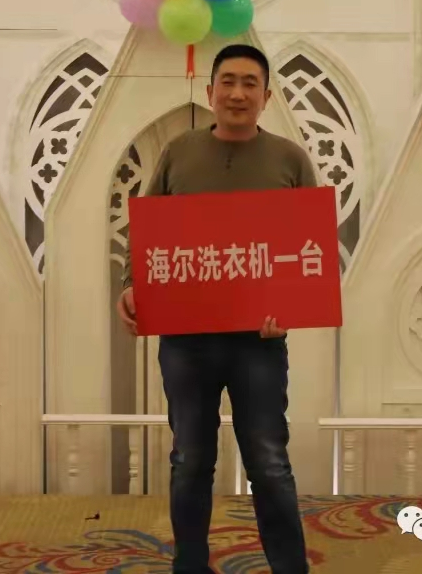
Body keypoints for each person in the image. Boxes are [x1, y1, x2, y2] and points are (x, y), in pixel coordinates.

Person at [117, 44, 315, 574]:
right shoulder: (179, 153)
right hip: (187, 340)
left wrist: (289, 306)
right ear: (210, 92)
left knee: (269, 463)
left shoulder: (291, 160)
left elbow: (308, 248)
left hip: (259, 342)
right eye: (228, 81)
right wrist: (132, 285)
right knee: (190, 461)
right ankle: (190, 566)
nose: (237, 93)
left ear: (266, 96)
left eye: (250, 83)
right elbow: (147, 230)